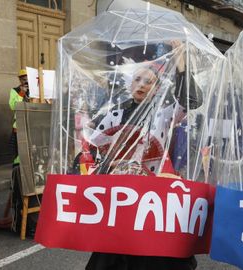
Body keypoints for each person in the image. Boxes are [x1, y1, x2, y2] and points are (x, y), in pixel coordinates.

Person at [84, 40, 201, 270]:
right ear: (129, 84)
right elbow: (93, 146)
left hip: (151, 196)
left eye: (149, 82)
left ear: (157, 88)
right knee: (113, 253)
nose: (141, 85)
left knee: (148, 255)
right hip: (120, 195)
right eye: (137, 79)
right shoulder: (113, 114)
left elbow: (192, 101)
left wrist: (180, 62)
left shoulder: (164, 113)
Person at [9, 69, 29, 166]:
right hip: (20, 125)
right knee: (18, 148)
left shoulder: (35, 90)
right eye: (23, 79)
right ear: (20, 80)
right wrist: (21, 93)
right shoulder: (15, 90)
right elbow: (13, 106)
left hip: (33, 124)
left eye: (27, 79)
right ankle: (18, 167)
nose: (26, 81)